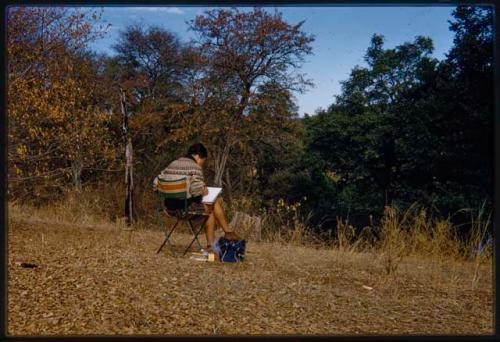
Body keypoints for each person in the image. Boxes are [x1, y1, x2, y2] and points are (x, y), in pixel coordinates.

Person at [153, 143, 240, 257]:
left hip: (170, 209)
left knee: (210, 205)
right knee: (211, 206)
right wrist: (204, 190)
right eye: (203, 161)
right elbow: (196, 190)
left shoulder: (172, 164)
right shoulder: (195, 167)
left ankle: (218, 240)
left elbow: (156, 183)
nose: (202, 164)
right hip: (184, 210)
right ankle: (222, 238)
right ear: (198, 156)